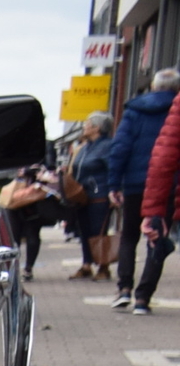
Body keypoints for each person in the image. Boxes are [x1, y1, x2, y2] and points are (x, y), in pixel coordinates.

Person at [101, 66, 180, 309]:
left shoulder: (135, 111)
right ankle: (143, 297)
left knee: (129, 235)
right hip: (168, 185)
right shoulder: (173, 109)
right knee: (158, 237)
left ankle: (124, 287)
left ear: (153, 86)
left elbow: (120, 148)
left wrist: (114, 183)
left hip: (134, 183)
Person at [71, 110, 116, 278]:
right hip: (83, 196)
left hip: (100, 195)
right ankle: (86, 264)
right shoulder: (85, 147)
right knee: (85, 231)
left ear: (97, 128)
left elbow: (113, 169)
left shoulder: (108, 146)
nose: (84, 127)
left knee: (99, 231)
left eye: (87, 124)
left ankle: (103, 267)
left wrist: (114, 190)